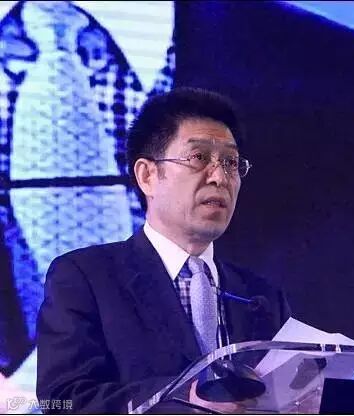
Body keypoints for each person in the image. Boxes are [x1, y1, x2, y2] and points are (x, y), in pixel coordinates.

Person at [36, 87, 291, 414]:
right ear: (148, 176)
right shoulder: (86, 278)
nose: (220, 177)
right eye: (199, 158)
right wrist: (183, 401)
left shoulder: (262, 297)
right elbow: (63, 399)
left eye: (230, 162)